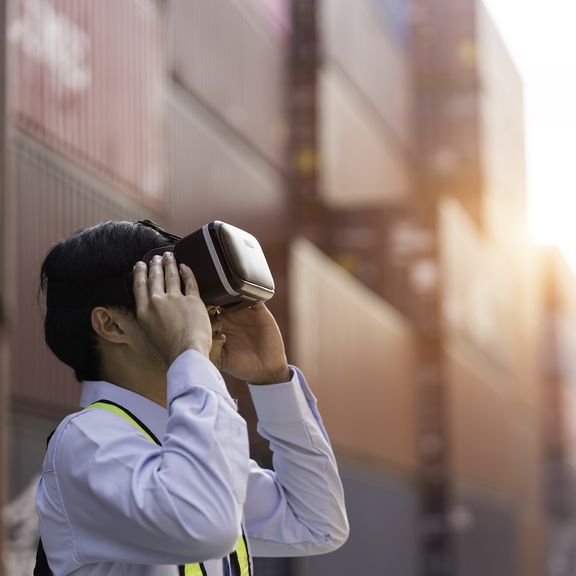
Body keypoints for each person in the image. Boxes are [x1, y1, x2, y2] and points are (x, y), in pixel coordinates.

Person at [35, 220, 349, 576]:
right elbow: (203, 524)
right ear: (111, 325)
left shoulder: (178, 442)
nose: (204, 312)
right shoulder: (89, 442)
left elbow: (316, 523)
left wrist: (272, 381)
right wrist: (190, 353)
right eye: (170, 295)